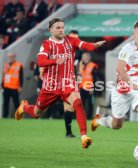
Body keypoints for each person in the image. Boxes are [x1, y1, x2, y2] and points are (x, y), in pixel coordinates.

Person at [14, 17, 105, 148]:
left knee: (78, 103)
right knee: (36, 113)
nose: (61, 29)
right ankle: (24, 107)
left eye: (62, 27)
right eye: (58, 27)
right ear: (51, 29)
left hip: (68, 82)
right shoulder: (47, 44)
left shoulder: (70, 40)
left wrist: (94, 46)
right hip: (50, 85)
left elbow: (83, 44)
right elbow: (40, 61)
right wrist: (54, 61)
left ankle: (84, 136)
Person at [90, 21, 138, 158]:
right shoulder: (127, 49)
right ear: (134, 34)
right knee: (117, 125)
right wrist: (133, 85)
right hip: (121, 90)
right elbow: (120, 69)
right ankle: (98, 120)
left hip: (135, 90)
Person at [2, 53, 23, 118]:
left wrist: (20, 86)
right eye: (9, 57)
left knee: (16, 103)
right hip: (6, 87)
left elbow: (21, 76)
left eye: (12, 56)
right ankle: (5, 116)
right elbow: (4, 76)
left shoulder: (19, 65)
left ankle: (19, 116)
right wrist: (1, 84)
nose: (10, 58)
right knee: (5, 103)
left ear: (14, 57)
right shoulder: (6, 65)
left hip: (14, 87)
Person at [78, 52, 99, 119]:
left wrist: (93, 87)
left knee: (90, 103)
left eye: (84, 56)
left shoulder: (93, 65)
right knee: (82, 103)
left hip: (89, 87)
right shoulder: (81, 65)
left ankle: (89, 116)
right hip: (82, 87)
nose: (82, 58)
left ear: (88, 57)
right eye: (82, 57)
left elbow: (95, 78)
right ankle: (82, 116)